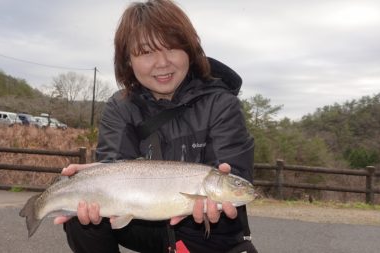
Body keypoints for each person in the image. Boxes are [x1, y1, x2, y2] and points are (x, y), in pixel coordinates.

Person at [54, 0, 257, 252]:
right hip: (146, 224)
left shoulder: (221, 103)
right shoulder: (120, 107)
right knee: (81, 216)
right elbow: (114, 166)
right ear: (127, 60)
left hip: (210, 231)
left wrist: (229, 180)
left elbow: (237, 172)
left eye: (172, 48)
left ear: (190, 51)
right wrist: (97, 178)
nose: (162, 63)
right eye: (146, 52)